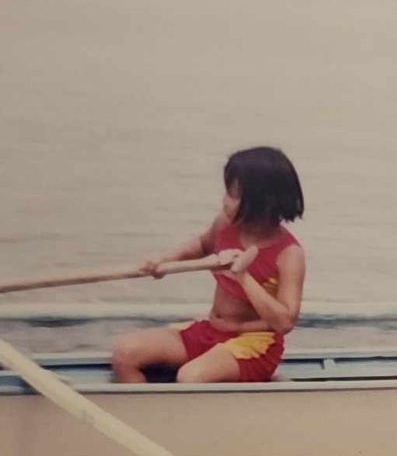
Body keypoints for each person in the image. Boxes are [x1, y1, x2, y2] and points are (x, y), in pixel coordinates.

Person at [112, 146, 306, 384]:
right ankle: (141, 419)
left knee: (190, 378)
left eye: (234, 195)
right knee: (125, 353)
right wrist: (164, 260)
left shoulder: (289, 254)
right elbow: (200, 245)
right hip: (211, 331)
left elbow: (285, 321)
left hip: (255, 344)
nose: (224, 202)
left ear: (262, 202)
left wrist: (243, 277)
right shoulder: (225, 224)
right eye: (227, 193)